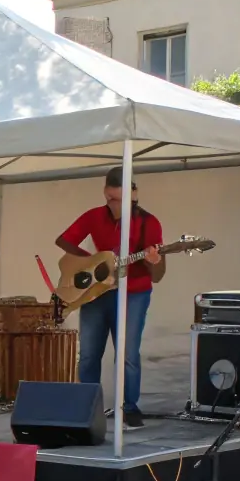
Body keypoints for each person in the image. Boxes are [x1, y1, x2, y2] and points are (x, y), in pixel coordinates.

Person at [55, 167, 164, 430]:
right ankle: (88, 406)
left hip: (134, 293)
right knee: (90, 354)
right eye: (109, 199)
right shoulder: (94, 216)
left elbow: (158, 275)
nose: (112, 205)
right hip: (95, 293)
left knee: (127, 354)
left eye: (118, 200)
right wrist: (91, 264)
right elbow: (63, 240)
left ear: (133, 195)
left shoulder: (149, 223)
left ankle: (129, 407)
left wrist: (154, 260)